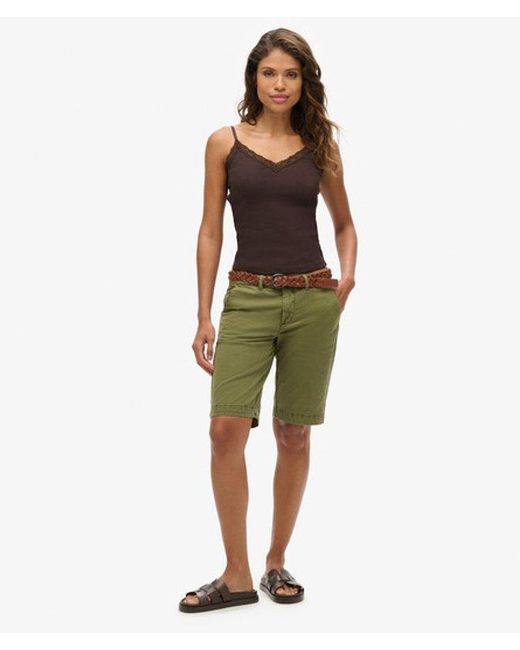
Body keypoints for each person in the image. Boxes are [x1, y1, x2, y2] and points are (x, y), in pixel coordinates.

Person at [179, 27, 357, 613]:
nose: (279, 84)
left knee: (293, 432)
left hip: (312, 300)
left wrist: (346, 278)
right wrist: (203, 314)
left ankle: (275, 562)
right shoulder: (224, 143)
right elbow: (210, 230)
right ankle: (236, 575)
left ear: (305, 82)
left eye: (291, 74)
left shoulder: (320, 146)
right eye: (269, 72)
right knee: (225, 430)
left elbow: (345, 225)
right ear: (253, 78)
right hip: (247, 297)